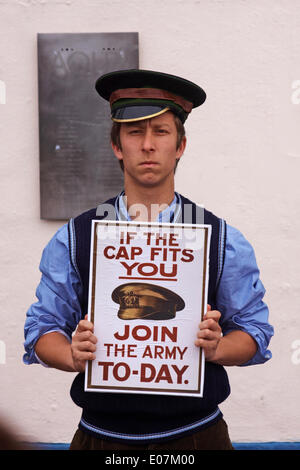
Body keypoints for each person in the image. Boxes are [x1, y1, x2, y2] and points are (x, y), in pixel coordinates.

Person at [23, 69, 273, 451]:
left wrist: (219, 348)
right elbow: (42, 327)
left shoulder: (220, 238)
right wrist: (71, 355)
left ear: (181, 145)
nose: (148, 145)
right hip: (101, 438)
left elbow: (254, 329)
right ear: (117, 146)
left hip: (197, 436)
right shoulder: (77, 236)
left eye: (161, 131)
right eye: (135, 132)